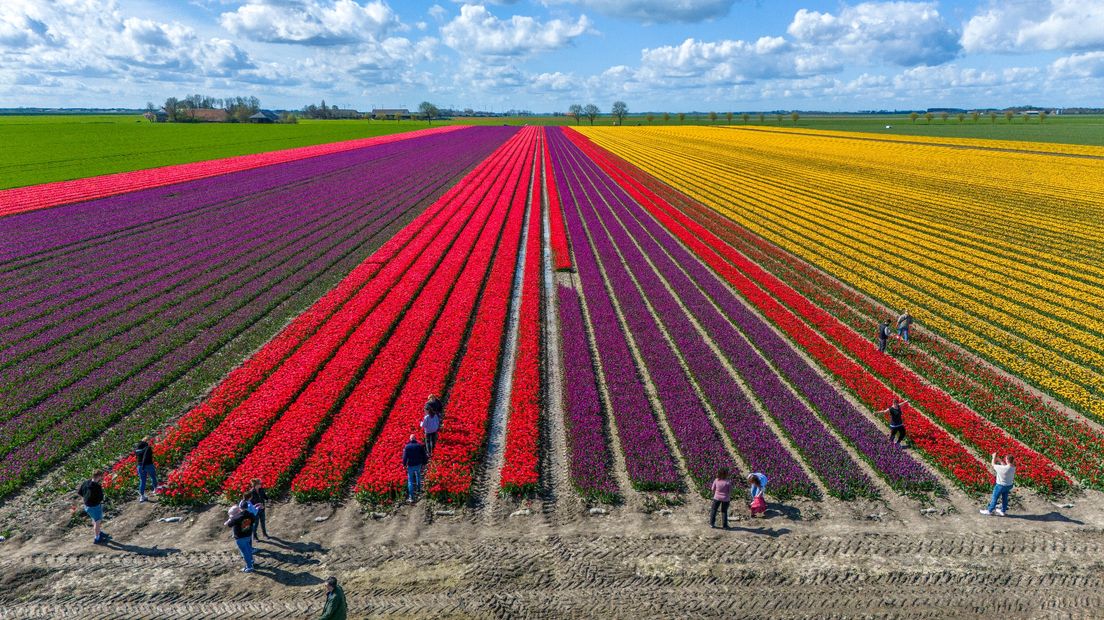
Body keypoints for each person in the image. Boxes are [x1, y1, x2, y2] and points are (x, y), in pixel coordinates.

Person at [77, 470, 108, 544]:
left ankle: (99, 532)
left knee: (93, 518)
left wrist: (86, 499)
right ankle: (97, 538)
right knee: (97, 521)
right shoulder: (97, 486)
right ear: (99, 476)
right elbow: (101, 498)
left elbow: (80, 493)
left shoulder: (86, 482)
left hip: (87, 506)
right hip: (95, 506)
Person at [226, 500, 257, 573]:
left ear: (240, 508)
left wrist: (231, 517)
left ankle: (249, 567)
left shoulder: (237, 517)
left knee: (244, 552)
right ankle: (251, 561)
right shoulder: (251, 514)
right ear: (247, 507)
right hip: (248, 535)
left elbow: (229, 525)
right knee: (249, 549)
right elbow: (253, 521)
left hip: (240, 537)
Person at [402, 434, 428, 503]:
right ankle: (419, 489)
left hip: (410, 465)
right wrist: (424, 463)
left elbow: (405, 457)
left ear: (410, 439)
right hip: (418, 464)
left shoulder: (407, 447)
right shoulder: (419, 446)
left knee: (410, 480)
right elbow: (424, 455)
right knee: (418, 475)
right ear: (415, 439)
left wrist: (404, 465)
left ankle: (411, 496)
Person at [134, 436, 158, 502]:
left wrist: (142, 466)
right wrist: (144, 465)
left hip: (139, 466)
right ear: (147, 441)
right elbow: (145, 457)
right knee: (153, 477)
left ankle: (142, 496)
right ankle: (155, 490)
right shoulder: (147, 447)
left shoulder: (137, 449)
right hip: (148, 465)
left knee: (142, 481)